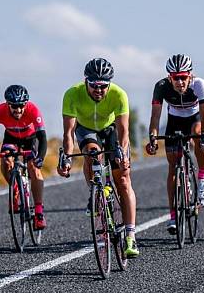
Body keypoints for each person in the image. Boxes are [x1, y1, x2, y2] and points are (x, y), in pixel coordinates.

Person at [57, 58, 140, 258]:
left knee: (123, 179)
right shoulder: (72, 94)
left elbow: (124, 131)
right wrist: (66, 158)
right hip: (86, 130)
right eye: (94, 85)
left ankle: (130, 235)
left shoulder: (119, 94)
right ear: (86, 81)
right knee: (92, 153)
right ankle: (95, 192)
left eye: (103, 86)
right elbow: (68, 134)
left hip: (111, 131)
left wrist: (122, 152)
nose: (99, 90)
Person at [145, 54, 204, 234]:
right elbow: (155, 117)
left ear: (190, 75)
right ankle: (174, 215)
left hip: (195, 118)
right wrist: (152, 137)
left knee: (198, 133)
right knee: (173, 167)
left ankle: (202, 176)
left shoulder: (199, 84)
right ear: (169, 77)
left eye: (183, 77)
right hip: (174, 120)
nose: (180, 82)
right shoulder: (160, 87)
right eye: (176, 78)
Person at [0, 85, 48, 230]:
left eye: (21, 106)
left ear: (26, 104)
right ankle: (15, 187)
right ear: (8, 104)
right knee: (6, 160)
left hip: (31, 139)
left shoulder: (33, 110)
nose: (18, 110)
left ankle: (38, 212)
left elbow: (42, 138)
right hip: (11, 138)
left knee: (34, 168)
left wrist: (41, 157)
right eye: (14, 106)